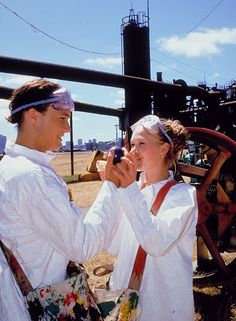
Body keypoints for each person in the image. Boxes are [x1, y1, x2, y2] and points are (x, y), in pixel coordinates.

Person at [0, 78, 121, 321]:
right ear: (33, 116)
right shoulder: (32, 177)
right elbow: (83, 246)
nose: (67, 128)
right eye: (62, 118)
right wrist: (111, 185)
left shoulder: (11, 167)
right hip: (42, 305)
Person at [87, 115, 198, 321]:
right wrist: (112, 186)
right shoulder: (133, 190)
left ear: (164, 149)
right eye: (132, 144)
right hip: (125, 298)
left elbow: (156, 243)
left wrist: (128, 189)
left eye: (141, 144)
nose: (133, 151)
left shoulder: (182, 195)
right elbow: (113, 245)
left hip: (161, 305)